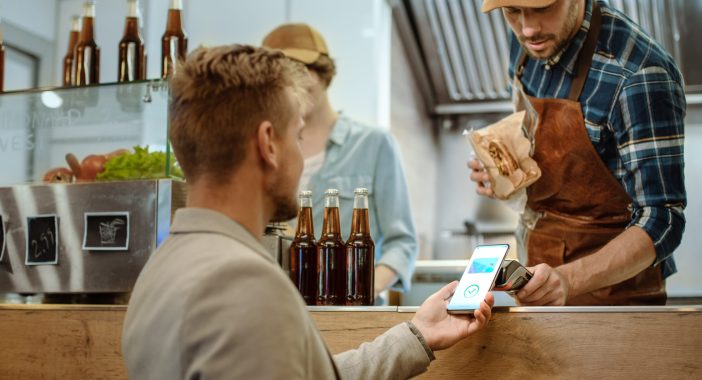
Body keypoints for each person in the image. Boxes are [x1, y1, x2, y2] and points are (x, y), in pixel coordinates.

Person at [122, 45, 494, 379]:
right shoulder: (245, 282)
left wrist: (417, 337)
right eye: (298, 136)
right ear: (268, 144)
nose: (303, 158)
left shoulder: (158, 268)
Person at [469, 0, 687, 305]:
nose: (528, 28)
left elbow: (662, 219)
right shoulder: (527, 41)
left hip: (614, 302)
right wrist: (508, 170)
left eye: (543, 9)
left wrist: (568, 280)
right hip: (537, 273)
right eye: (512, 12)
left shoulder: (639, 74)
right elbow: (541, 140)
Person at [262, 23, 418, 298]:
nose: (293, 86)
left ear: (322, 74)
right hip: (281, 305)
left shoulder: (374, 144)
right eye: (280, 77)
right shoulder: (266, 148)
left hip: (351, 313)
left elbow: (402, 242)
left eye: (301, 70)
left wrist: (361, 290)